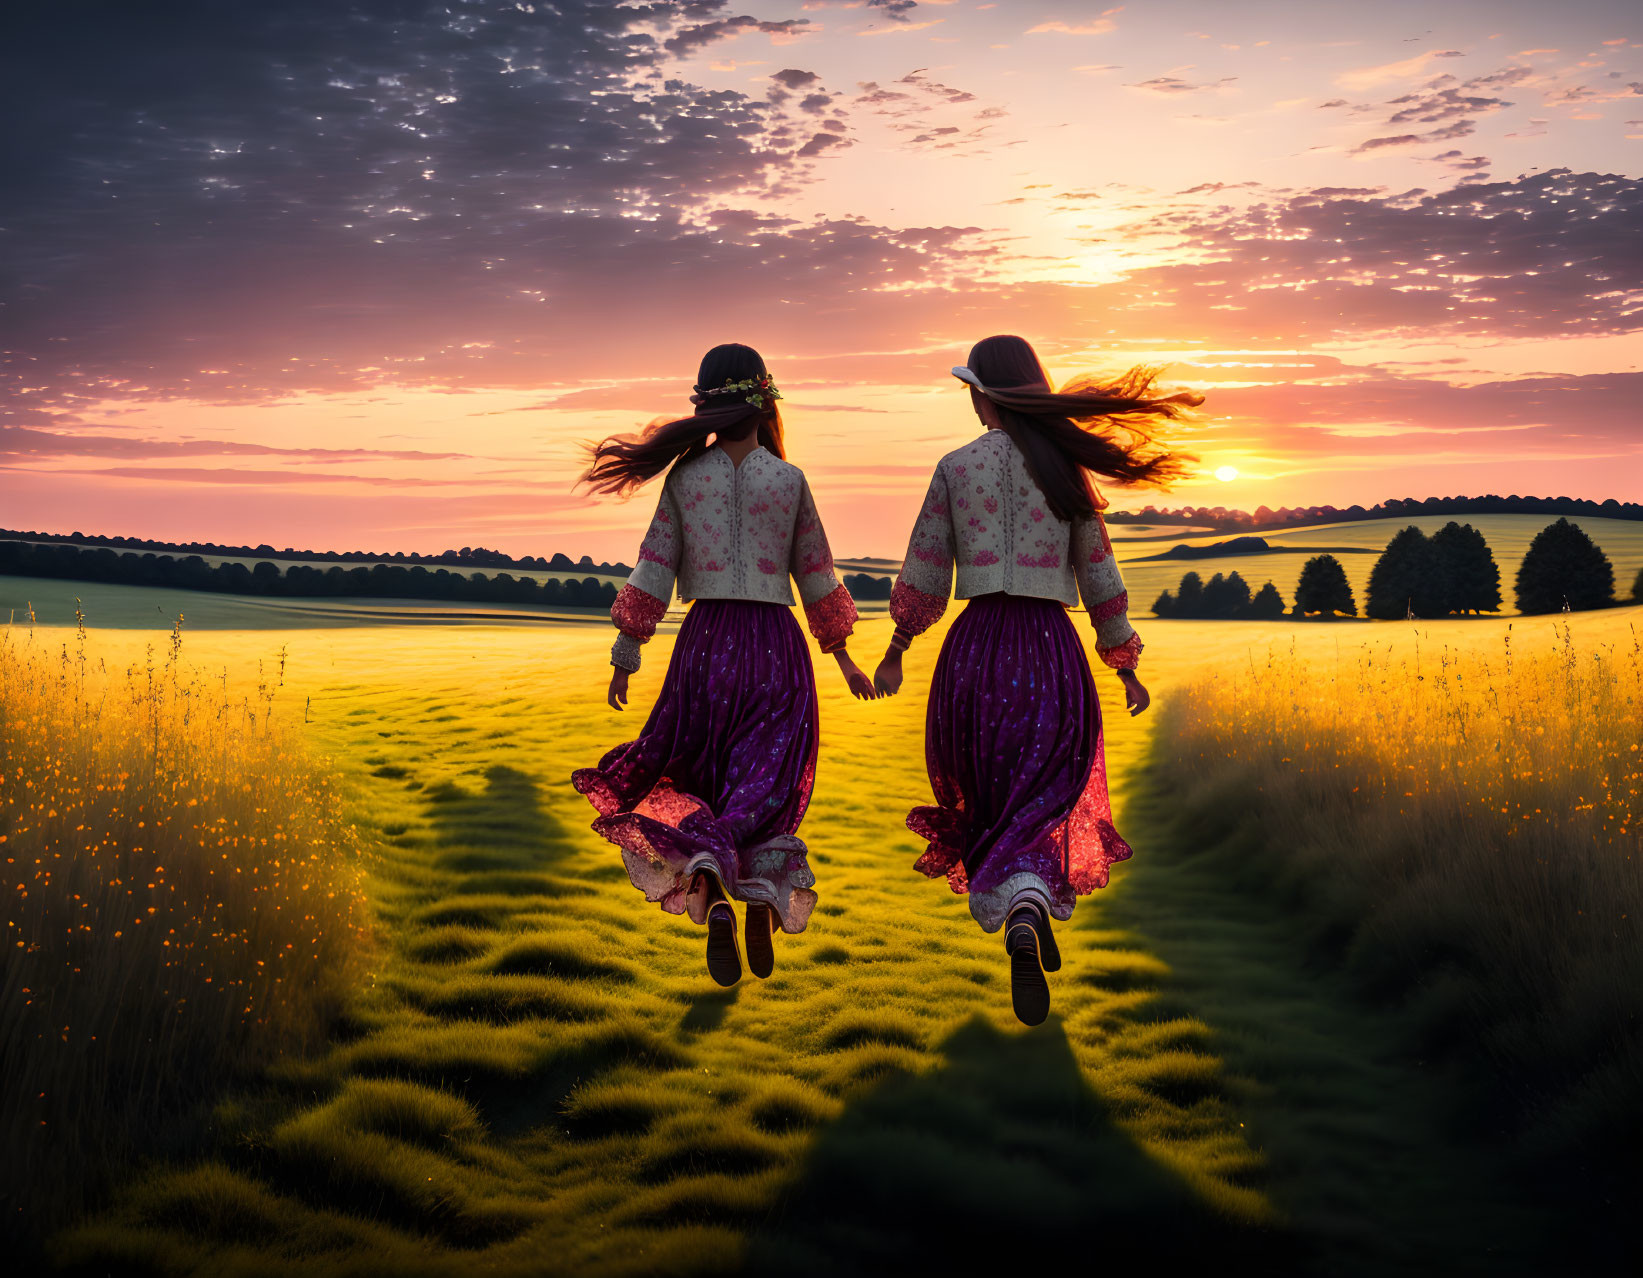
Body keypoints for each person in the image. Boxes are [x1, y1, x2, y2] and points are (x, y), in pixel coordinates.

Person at [873, 334, 1199, 1025]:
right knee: (1048, 790)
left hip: (978, 652)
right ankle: (1028, 899)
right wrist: (1125, 665)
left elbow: (925, 568)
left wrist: (899, 644)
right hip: (1051, 650)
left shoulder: (955, 467)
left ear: (982, 391)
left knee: (988, 792)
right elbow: (1100, 577)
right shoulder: (1066, 473)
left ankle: (1016, 899)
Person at [573, 343, 876, 988]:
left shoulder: (686, 480)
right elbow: (817, 575)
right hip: (775, 648)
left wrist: (627, 653)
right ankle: (762, 902)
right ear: (766, 402)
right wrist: (844, 656)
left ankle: (711, 884)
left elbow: (654, 566)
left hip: (705, 646)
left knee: (706, 779)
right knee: (766, 787)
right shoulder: (789, 481)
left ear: (706, 407)